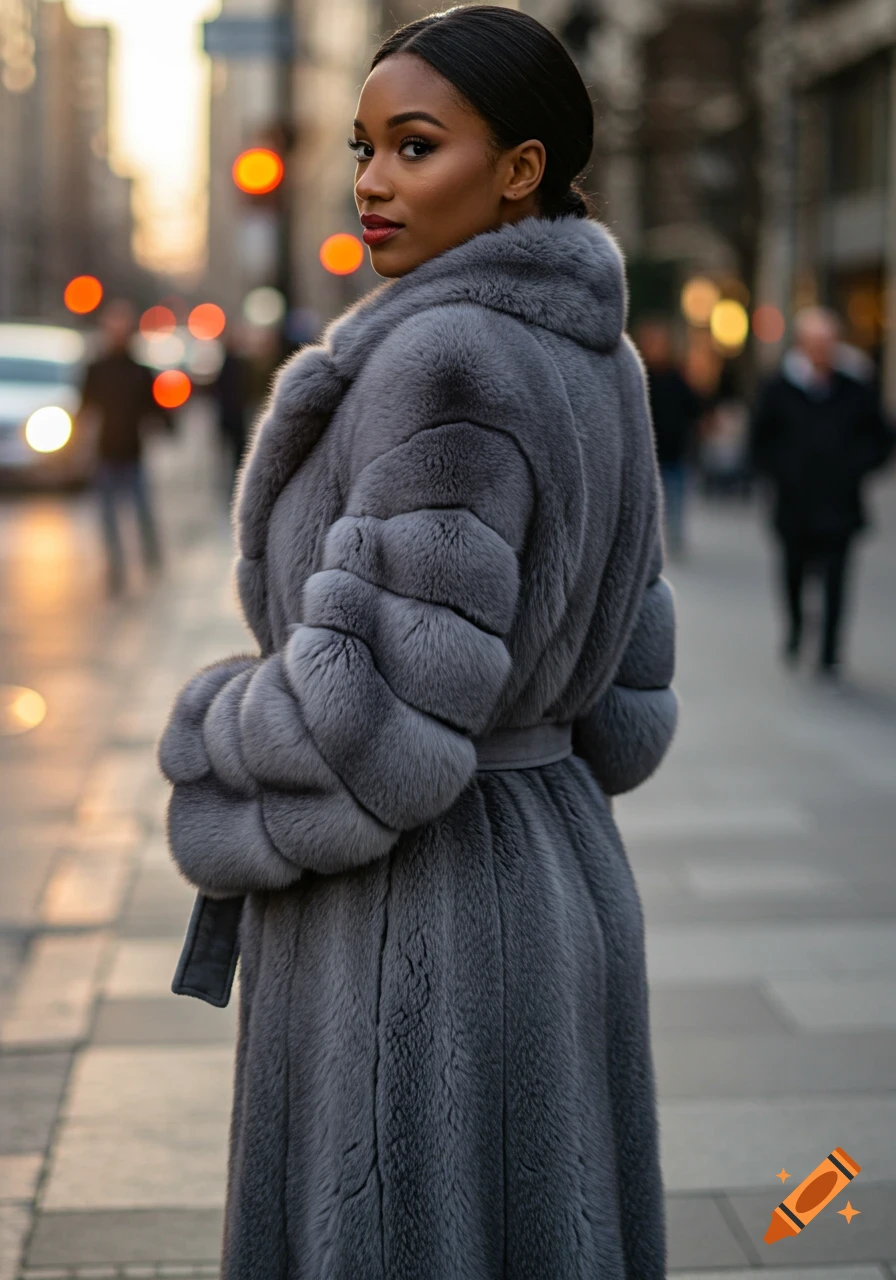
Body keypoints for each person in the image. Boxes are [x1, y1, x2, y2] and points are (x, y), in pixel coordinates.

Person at [157, 7, 678, 1276]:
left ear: (518, 167)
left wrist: (213, 730)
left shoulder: (442, 358)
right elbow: (629, 688)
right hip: (556, 867)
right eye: (364, 147)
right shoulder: (594, 357)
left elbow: (375, 716)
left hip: (414, 919)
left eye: (415, 145)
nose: (373, 182)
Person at [750, 306, 894, 679]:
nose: (822, 350)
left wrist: (855, 468)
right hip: (793, 505)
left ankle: (830, 653)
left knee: (836, 581)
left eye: (828, 343)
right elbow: (760, 441)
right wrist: (781, 472)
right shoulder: (778, 388)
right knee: (794, 574)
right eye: (816, 343)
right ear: (802, 344)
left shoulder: (856, 387)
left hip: (839, 505)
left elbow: (879, 439)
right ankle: (798, 629)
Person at [78, 299, 164, 595]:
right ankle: (116, 565)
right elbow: (84, 407)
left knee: (141, 512)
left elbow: (153, 407)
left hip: (132, 452)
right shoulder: (96, 368)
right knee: (108, 517)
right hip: (106, 452)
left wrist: (166, 424)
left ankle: (152, 558)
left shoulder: (139, 370)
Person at [635, 316, 703, 555]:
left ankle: (673, 541)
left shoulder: (677, 378)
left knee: (675, 500)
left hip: (674, 452)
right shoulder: (637, 376)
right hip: (646, 454)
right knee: (648, 504)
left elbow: (694, 409)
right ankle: (651, 544)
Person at [209, 330, 251, 501]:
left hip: (233, 418)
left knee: (236, 457)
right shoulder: (233, 365)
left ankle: (236, 486)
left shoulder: (233, 365)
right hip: (233, 418)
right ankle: (235, 486)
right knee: (235, 457)